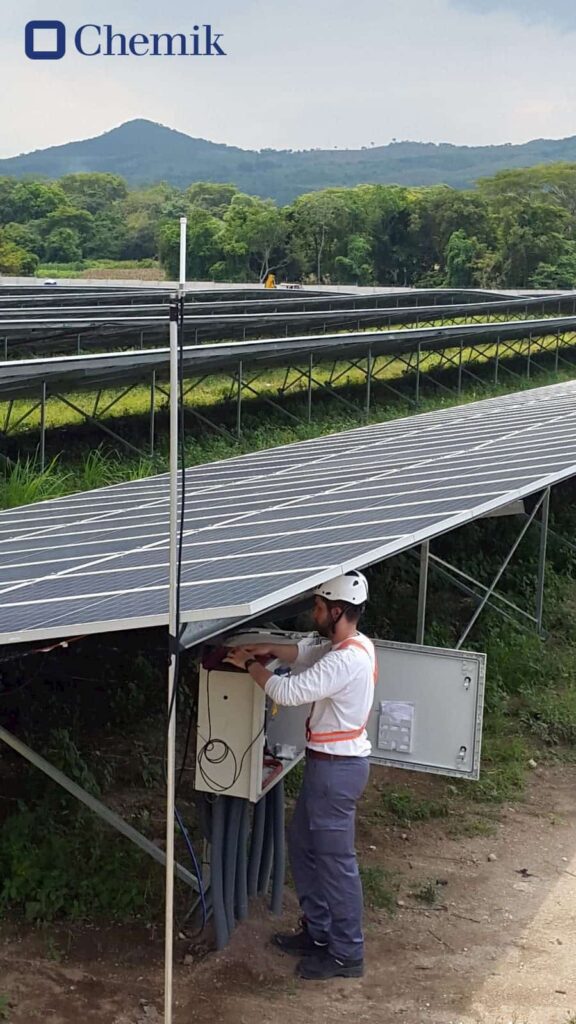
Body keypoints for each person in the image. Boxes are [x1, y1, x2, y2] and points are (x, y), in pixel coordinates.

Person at [224, 569, 376, 981]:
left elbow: (288, 692)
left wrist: (252, 665)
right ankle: (319, 931)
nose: (314, 612)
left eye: (320, 607)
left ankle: (347, 953)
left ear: (338, 611)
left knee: (336, 863)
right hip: (328, 765)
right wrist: (268, 648)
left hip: (336, 771)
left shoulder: (346, 659)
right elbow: (305, 653)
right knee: (303, 843)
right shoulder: (349, 645)